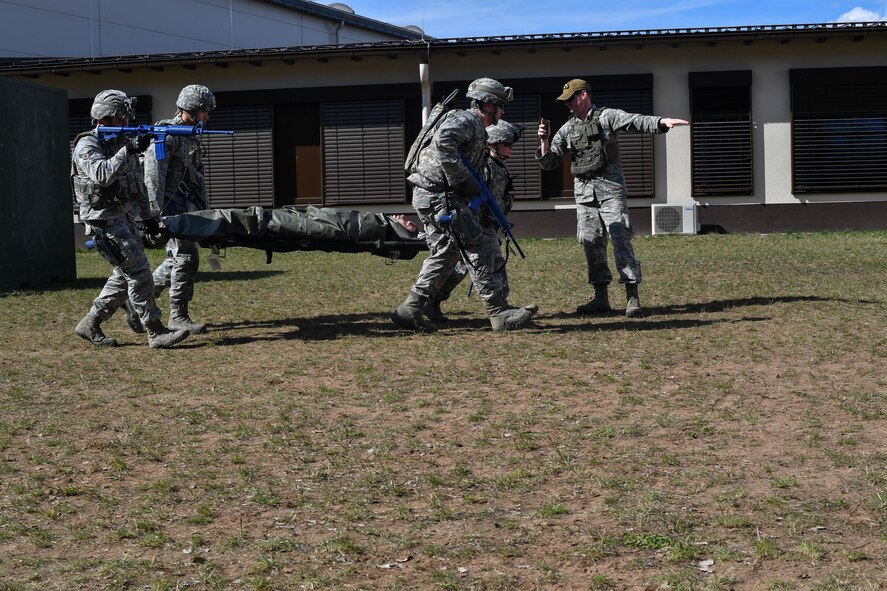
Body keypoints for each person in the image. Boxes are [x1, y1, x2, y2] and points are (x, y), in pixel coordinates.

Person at [393, 78, 538, 333]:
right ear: (488, 104)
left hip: (434, 196)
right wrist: (462, 180)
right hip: (440, 197)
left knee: (447, 253)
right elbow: (443, 141)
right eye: (501, 106)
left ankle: (410, 309)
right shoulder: (467, 120)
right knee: (477, 245)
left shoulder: (474, 125)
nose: (503, 112)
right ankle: (499, 313)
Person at [536, 78, 688, 318]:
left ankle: (632, 297)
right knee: (590, 243)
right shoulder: (567, 129)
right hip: (585, 196)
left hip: (610, 191)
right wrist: (544, 141)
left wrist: (661, 123)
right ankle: (601, 298)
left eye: (571, 99)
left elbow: (634, 121)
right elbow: (550, 162)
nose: (568, 105)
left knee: (620, 239)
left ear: (584, 95)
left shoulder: (607, 117)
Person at [72, 89, 190, 349]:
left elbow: (136, 185)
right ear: (105, 118)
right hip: (103, 222)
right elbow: (102, 175)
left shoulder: (119, 142)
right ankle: (155, 330)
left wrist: (148, 217)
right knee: (139, 272)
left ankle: (90, 324)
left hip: (122, 218)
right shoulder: (87, 144)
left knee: (123, 276)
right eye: (122, 119)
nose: (127, 124)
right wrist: (128, 149)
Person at [129, 84, 217, 335]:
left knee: (177, 259)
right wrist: (154, 213)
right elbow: (153, 175)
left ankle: (138, 304)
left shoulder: (189, 134)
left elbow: (194, 176)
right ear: (190, 110)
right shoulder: (166, 134)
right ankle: (178, 316)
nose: (207, 118)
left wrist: (204, 210)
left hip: (187, 207)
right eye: (204, 112)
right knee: (186, 257)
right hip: (169, 208)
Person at [422, 119, 525, 324]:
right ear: (494, 143)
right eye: (507, 144)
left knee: (494, 263)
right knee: (461, 267)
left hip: (488, 224)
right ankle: (431, 300)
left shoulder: (498, 167)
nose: (510, 149)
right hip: (475, 224)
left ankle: (502, 306)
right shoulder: (484, 166)